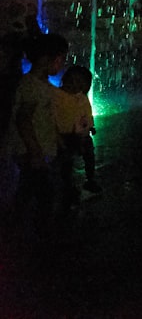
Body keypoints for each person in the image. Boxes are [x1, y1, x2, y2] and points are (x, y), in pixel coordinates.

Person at [11, 33, 68, 235]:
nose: (62, 65)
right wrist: (35, 152)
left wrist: (57, 138)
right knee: (46, 193)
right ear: (46, 59)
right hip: (30, 151)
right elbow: (23, 119)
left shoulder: (42, 86)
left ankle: (15, 223)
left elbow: (44, 116)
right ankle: (41, 232)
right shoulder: (32, 86)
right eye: (60, 59)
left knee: (27, 187)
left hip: (36, 149)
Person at [53, 65, 101, 204]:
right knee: (66, 162)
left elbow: (87, 112)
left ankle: (90, 179)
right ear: (65, 79)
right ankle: (68, 186)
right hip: (66, 135)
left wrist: (90, 126)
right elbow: (54, 115)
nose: (75, 86)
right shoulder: (57, 95)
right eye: (72, 81)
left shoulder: (82, 97)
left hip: (83, 134)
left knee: (89, 156)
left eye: (80, 83)